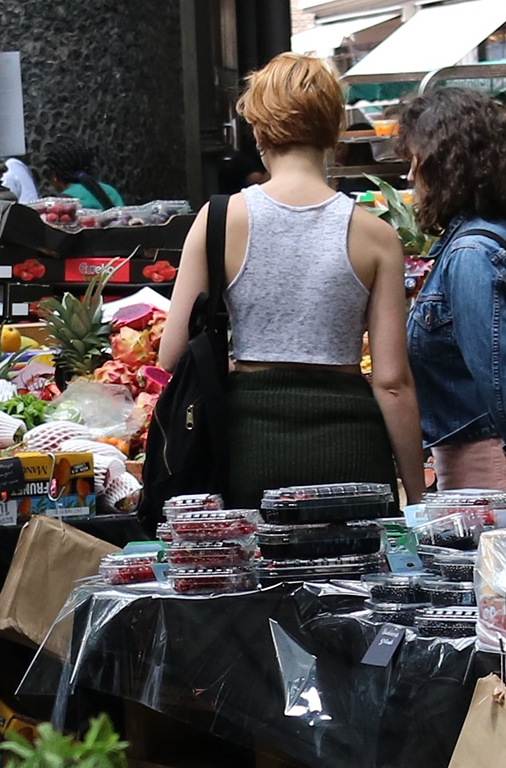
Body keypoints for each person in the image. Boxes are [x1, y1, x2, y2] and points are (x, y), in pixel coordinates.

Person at [154, 56, 422, 507]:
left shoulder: (218, 220)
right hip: (354, 453)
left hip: (246, 452)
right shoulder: (377, 237)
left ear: (258, 132)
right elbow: (393, 382)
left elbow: (172, 354)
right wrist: (416, 493)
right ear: (334, 133)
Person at [398, 85, 506, 500]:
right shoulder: (500, 235)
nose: (411, 175)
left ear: (446, 165)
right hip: (495, 464)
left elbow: (502, 380)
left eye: (416, 160)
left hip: (490, 470)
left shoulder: (470, 254)